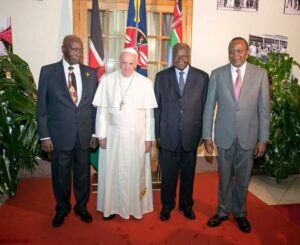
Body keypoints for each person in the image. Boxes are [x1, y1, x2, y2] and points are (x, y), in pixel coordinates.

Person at [202, 37, 270, 233]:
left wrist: (262, 139)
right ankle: (222, 211)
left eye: (240, 51)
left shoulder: (260, 74)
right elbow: (209, 107)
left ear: (247, 53)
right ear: (228, 52)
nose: (235, 55)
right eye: (232, 51)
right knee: (224, 177)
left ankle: (240, 213)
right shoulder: (217, 74)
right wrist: (207, 135)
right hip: (224, 136)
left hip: (249, 137)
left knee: (242, 179)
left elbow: (264, 110)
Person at [36, 35, 98, 228]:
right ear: (63, 49)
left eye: (79, 50)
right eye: (73, 49)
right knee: (60, 176)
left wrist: (95, 133)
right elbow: (42, 107)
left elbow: (95, 107)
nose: (77, 53)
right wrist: (44, 135)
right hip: (58, 136)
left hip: (83, 135)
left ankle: (81, 207)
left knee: (82, 175)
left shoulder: (90, 73)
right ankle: (62, 208)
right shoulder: (48, 72)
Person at [92, 47, 157, 220]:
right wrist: (101, 135)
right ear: (119, 62)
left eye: (130, 64)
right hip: (113, 135)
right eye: (124, 63)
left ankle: (135, 208)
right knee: (112, 171)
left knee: (135, 171)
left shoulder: (145, 83)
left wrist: (149, 138)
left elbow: (149, 115)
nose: (127, 67)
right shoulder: (107, 80)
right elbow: (102, 111)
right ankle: (110, 208)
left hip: (137, 136)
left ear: (136, 64)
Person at [154, 43, 209, 221]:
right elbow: (157, 109)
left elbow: (205, 108)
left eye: (184, 56)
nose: (180, 60)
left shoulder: (202, 77)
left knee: (188, 175)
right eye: (177, 56)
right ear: (172, 56)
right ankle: (167, 206)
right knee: (168, 175)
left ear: (189, 55)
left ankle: (186, 206)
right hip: (168, 135)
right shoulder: (161, 77)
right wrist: (157, 134)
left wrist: (203, 133)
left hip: (191, 135)